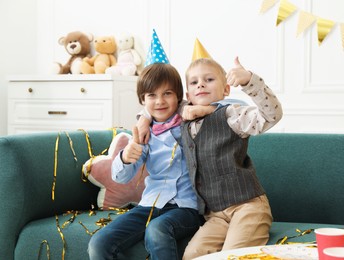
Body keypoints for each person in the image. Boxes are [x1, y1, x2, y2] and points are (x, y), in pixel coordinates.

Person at [87, 63, 204, 260]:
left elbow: (221, 106)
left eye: (167, 93)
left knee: (157, 230)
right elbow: (120, 177)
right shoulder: (144, 133)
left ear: (178, 96)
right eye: (152, 95)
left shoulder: (192, 123)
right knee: (99, 243)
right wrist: (125, 158)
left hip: (187, 208)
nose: (159, 101)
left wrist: (145, 116)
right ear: (143, 99)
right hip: (149, 205)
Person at [180, 57, 283, 259]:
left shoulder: (232, 115)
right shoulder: (183, 119)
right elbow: (157, 102)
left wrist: (249, 81)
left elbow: (272, 115)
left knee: (231, 256)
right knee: (192, 254)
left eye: (209, 79)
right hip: (215, 215)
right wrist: (144, 119)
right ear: (187, 95)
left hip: (247, 207)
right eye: (194, 82)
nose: (200, 84)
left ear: (226, 90)